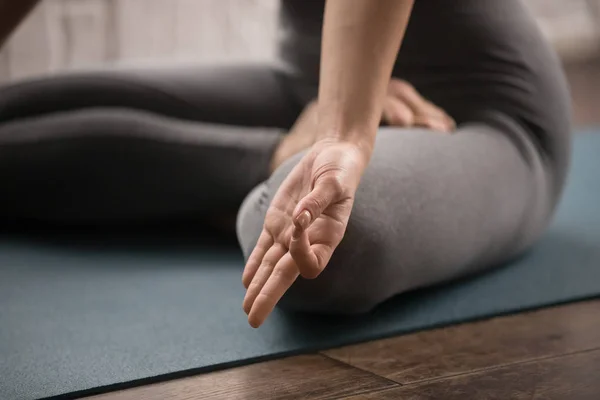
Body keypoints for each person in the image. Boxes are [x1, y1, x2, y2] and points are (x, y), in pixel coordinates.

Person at [0, 0, 571, 328]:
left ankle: (272, 164)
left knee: (316, 243)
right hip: (309, 80)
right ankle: (256, 171)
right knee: (24, 106)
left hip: (487, 114)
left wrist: (341, 135)